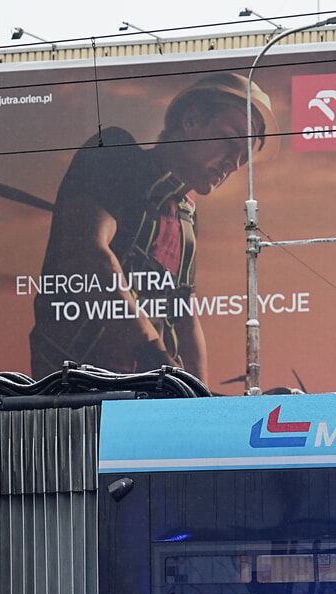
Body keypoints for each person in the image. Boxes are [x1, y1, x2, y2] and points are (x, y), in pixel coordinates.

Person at [28, 72, 272, 382]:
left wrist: (198, 396)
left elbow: (184, 314)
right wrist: (153, 354)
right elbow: (88, 255)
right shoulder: (115, 155)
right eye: (229, 141)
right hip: (77, 386)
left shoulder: (185, 215)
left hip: (145, 387)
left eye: (243, 157)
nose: (234, 163)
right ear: (192, 120)